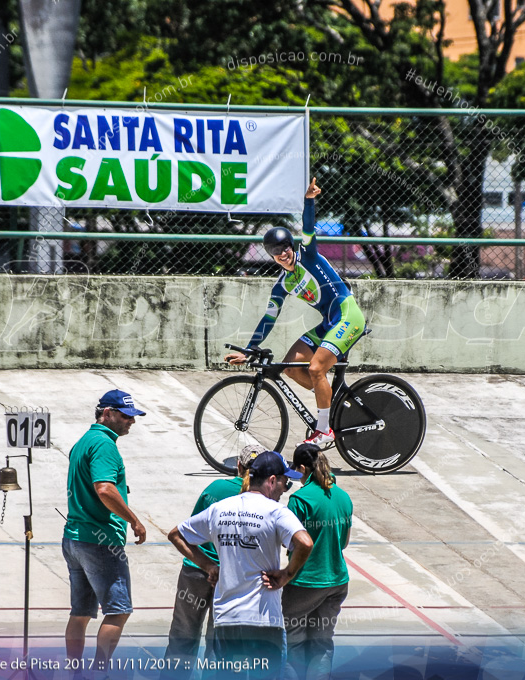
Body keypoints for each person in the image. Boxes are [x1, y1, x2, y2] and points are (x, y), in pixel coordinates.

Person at [225, 177, 366, 447]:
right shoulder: (282, 284)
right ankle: (328, 397)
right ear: (271, 256)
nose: (283, 253)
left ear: (292, 245)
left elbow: (309, 227)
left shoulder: (307, 255)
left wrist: (308, 201)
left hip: (348, 315)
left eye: (285, 247)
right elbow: (269, 318)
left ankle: (324, 431)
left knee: (315, 368)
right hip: (329, 322)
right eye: (276, 252)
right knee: (290, 367)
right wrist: (248, 349)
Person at [168, 452, 314, 679]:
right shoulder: (276, 512)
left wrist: (208, 566)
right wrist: (287, 575)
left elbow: (176, 535)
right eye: (285, 484)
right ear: (272, 481)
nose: (284, 491)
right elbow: (305, 543)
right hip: (264, 621)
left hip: (227, 620)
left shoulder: (221, 509)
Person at [161, 444, 266, 679]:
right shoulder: (265, 500)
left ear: (238, 466)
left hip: (197, 571)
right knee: (220, 646)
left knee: (183, 636)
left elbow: (186, 534)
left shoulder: (216, 488)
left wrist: (206, 564)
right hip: (233, 580)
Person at [61, 389, 149, 673]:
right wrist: (134, 520)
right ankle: (100, 672)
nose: (131, 422)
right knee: (118, 611)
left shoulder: (83, 442)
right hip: (100, 542)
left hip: (75, 538)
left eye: (132, 417)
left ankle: (75, 671)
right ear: (107, 414)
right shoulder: (104, 445)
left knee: (81, 613)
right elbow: (104, 488)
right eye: (125, 416)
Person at [282, 444, 353, 680]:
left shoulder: (300, 499)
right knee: (322, 645)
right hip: (336, 580)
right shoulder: (343, 497)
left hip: (304, 582)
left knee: (292, 646)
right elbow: (343, 543)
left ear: (303, 469)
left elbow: (291, 543)